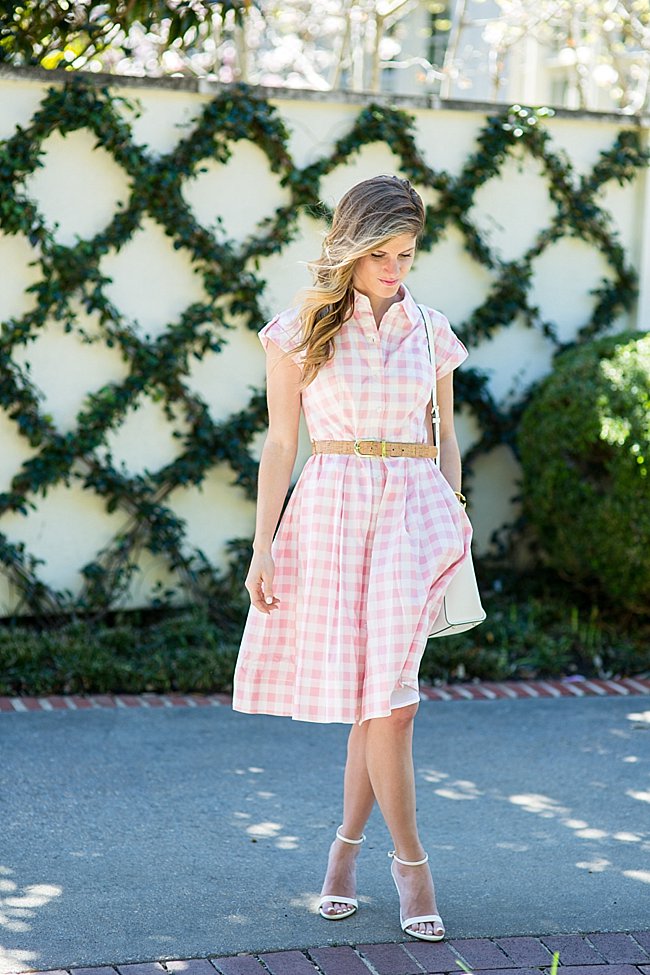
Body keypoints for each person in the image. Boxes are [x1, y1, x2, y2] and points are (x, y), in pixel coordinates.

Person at [232, 174, 472, 942]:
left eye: (408, 254)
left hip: (413, 518)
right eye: (384, 255)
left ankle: (409, 867)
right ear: (352, 247)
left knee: (395, 706)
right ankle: (343, 854)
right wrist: (261, 545)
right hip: (331, 513)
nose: (398, 269)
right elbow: (279, 443)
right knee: (374, 706)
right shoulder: (298, 330)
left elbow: (447, 438)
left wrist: (454, 519)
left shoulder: (432, 329)